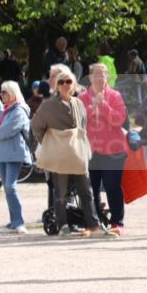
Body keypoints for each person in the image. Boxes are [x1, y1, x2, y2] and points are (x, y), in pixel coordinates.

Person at [31, 69, 117, 238]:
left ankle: (94, 225)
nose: (65, 85)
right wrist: (49, 142)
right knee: (60, 191)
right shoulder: (48, 105)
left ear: (73, 85)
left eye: (68, 81)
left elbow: (83, 125)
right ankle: (63, 226)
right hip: (60, 154)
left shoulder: (78, 103)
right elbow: (36, 126)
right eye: (61, 82)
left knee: (87, 190)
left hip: (77, 152)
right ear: (57, 86)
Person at [80, 63, 128, 235]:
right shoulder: (82, 97)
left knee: (112, 186)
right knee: (90, 189)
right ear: (90, 77)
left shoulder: (115, 96)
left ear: (107, 77)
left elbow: (119, 120)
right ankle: (95, 222)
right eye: (96, 75)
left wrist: (104, 106)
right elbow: (79, 121)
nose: (100, 78)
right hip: (90, 151)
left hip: (113, 150)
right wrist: (92, 107)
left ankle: (117, 223)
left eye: (103, 75)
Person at [0, 81, 31, 234]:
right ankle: (14, 222)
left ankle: (19, 222)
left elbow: (5, 131)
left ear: (13, 93)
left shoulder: (19, 111)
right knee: (7, 189)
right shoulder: (3, 111)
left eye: (4, 92)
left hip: (14, 153)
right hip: (2, 153)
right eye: (1, 92)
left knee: (10, 186)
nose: (1, 95)